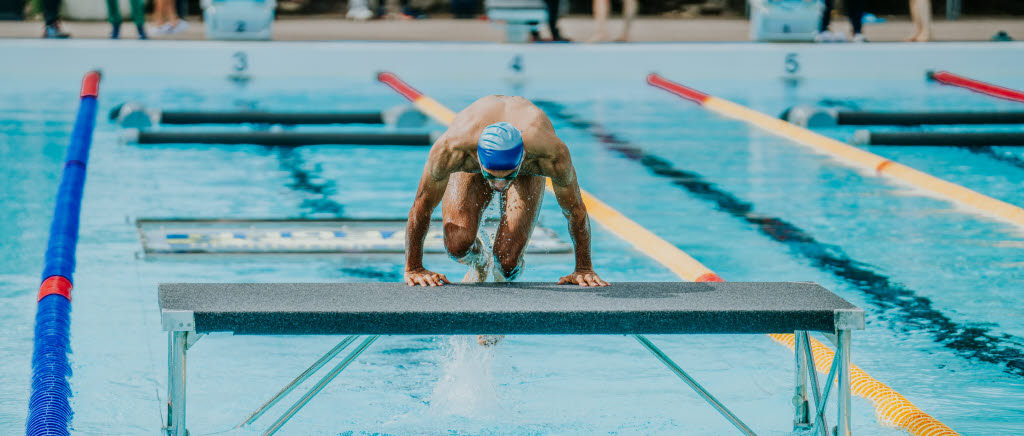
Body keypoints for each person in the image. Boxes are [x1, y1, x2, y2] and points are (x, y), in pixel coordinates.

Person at [403, 95, 608, 290]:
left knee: (508, 262)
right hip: (479, 160)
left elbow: (575, 210)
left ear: (524, 157)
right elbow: (422, 206)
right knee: (457, 244)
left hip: (525, 169)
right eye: (491, 176)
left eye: (507, 177)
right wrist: (414, 267)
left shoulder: (550, 155)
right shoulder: (453, 149)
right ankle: (480, 263)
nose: (499, 185)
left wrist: (583, 268)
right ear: (477, 157)